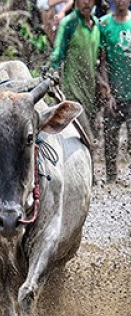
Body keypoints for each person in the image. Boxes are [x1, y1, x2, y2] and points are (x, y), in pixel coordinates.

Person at [50, 0, 103, 130]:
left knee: (91, 136)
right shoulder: (69, 23)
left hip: (90, 91)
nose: (86, 2)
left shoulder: (97, 25)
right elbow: (57, 54)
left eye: (90, 0)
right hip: (72, 92)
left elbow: (99, 58)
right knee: (88, 137)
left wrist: (102, 81)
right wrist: (53, 73)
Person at [99, 0, 131, 182]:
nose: (121, 1)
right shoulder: (104, 24)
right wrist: (107, 91)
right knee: (110, 138)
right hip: (113, 93)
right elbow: (102, 61)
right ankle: (111, 178)